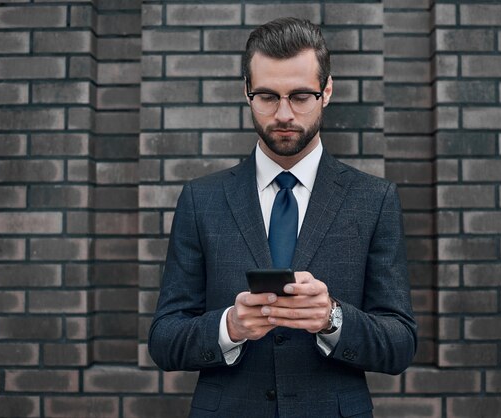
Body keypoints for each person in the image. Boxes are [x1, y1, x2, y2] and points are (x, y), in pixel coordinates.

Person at [148, 17, 417, 418]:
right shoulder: (200, 199)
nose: (284, 113)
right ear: (246, 93)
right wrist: (230, 327)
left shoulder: (374, 199)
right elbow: (164, 340)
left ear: (326, 91)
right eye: (268, 96)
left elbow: (400, 345)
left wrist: (331, 318)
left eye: (301, 96)